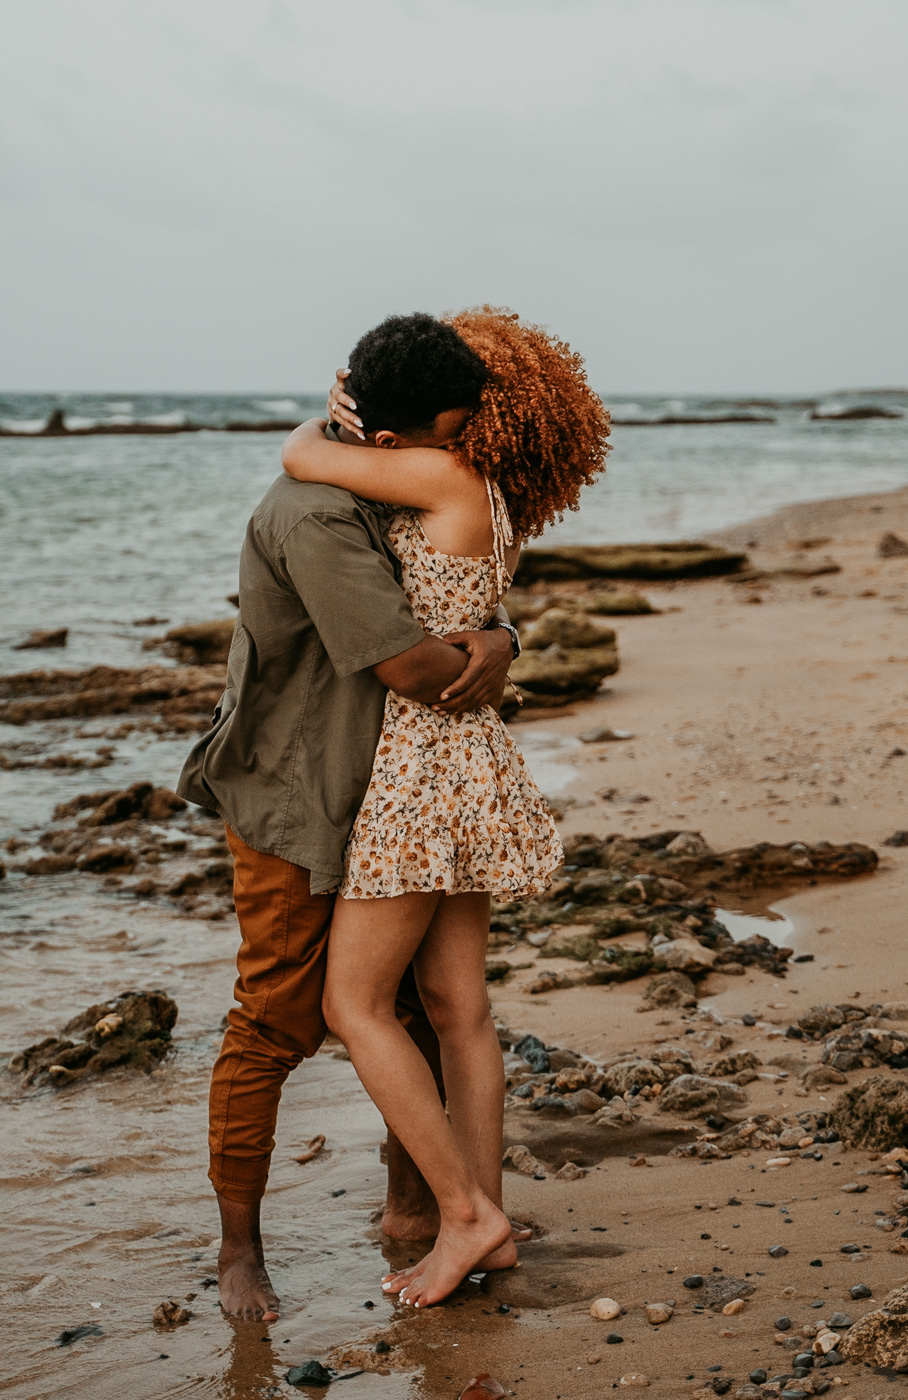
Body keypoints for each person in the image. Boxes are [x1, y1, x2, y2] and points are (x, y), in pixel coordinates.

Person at [177, 313, 520, 1322]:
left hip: (390, 792)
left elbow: (461, 592)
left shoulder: (395, 484)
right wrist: (491, 647)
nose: (459, 451)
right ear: (387, 438)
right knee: (274, 1021)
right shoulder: (315, 518)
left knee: (412, 1008)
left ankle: (428, 1215)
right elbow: (412, 661)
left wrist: (498, 633)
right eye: (444, 433)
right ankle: (240, 1248)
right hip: (294, 799)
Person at [280, 305, 610, 1307]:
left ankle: (464, 1215)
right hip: (471, 760)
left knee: (355, 1004)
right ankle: (488, 1219)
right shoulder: (489, 484)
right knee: (461, 1010)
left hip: (419, 764)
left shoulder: (433, 473)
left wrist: (321, 418)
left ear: (393, 434)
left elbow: (301, 460)